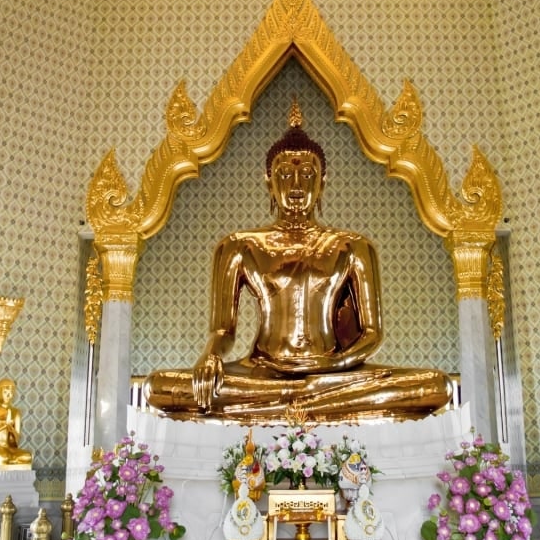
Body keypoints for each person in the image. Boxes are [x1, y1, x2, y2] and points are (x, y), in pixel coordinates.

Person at [144, 101, 452, 422]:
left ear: (322, 180)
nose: (295, 186)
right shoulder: (240, 245)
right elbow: (223, 330)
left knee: (433, 386)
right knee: (160, 387)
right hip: (262, 372)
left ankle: (287, 405)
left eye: (306, 174)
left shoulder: (353, 246)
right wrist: (209, 359)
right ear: (268, 180)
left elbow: (372, 334)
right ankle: (303, 404)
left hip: (332, 374)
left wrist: (331, 367)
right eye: (284, 174)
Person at [0, 378, 33, 469]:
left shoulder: (16, 412)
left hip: (9, 449)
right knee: (1, 458)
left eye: (11, 392)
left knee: (28, 457)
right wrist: (3, 426)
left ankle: (9, 460)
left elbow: (17, 438)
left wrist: (10, 427)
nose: (9, 395)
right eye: (5, 392)